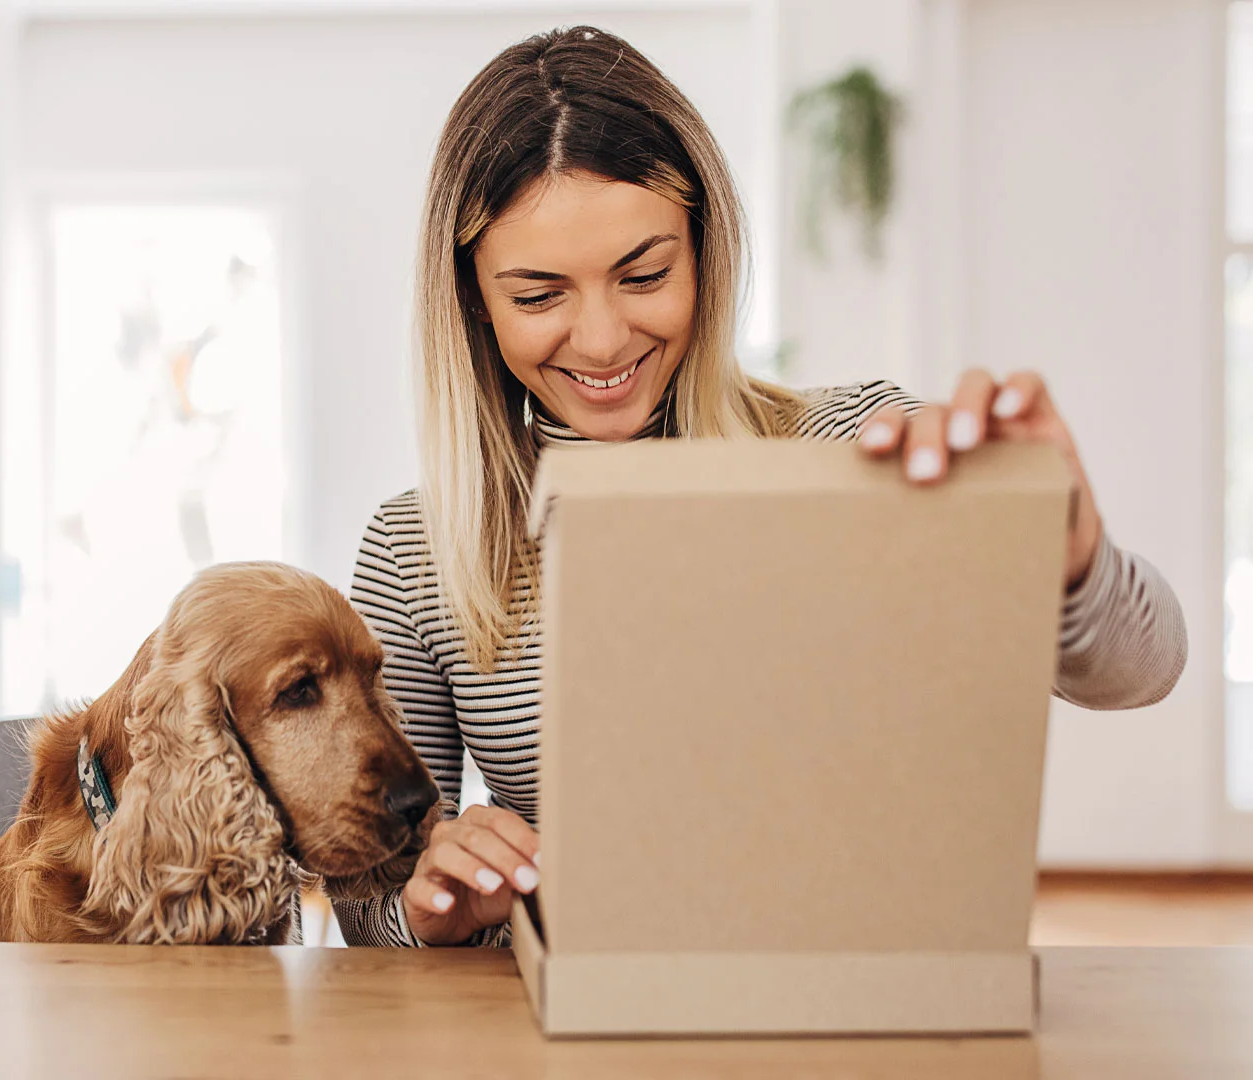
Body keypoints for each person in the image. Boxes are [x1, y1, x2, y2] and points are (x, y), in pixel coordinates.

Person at [334, 26, 1188, 948]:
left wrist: (1066, 560)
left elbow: (1142, 671)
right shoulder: (417, 551)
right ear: (473, 299)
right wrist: (436, 909)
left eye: (645, 275)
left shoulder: (853, 450)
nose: (603, 340)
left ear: (707, 251)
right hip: (580, 1004)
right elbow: (369, 909)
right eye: (539, 296)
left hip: (861, 986)